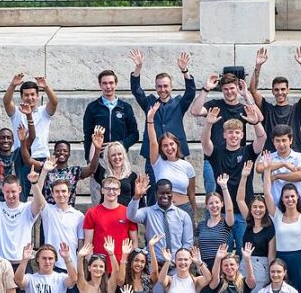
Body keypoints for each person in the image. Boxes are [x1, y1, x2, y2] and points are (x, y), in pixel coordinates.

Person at [131, 49, 197, 195]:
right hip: (154, 156)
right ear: (156, 88)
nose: (163, 89)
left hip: (175, 153)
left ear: (171, 87)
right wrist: (138, 68)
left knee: (177, 191)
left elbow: (191, 92)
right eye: (159, 86)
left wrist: (185, 71)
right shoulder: (149, 102)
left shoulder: (179, 103)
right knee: (154, 192)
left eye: (165, 86)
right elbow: (136, 90)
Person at [201, 106, 267, 251]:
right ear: (224, 135)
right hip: (222, 213)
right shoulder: (217, 152)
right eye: (230, 132)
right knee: (223, 253)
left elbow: (262, 138)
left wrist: (256, 123)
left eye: (237, 133)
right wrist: (208, 124)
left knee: (245, 251)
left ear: (242, 135)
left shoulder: (248, 151)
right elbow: (205, 143)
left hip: (245, 211)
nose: (234, 136)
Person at [190, 72, 252, 194]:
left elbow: (258, 118)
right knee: (213, 198)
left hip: (236, 160)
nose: (229, 92)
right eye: (225, 89)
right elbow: (195, 111)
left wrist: (246, 95)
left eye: (232, 88)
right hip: (213, 158)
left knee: (237, 196)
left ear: (237, 88)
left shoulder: (243, 108)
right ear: (222, 90)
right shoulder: (214, 105)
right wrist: (206, 88)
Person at [249, 46, 301, 151]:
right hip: (271, 158)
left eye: (283, 89)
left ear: (288, 90)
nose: (280, 93)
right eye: (277, 90)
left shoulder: (296, 110)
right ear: (272, 91)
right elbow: (253, 90)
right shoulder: (267, 109)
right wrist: (258, 66)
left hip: (294, 157)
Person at [0, 166, 46, 268]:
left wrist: (34, 183)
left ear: (19, 189)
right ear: (2, 190)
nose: (10, 195)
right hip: (0, 263)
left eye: (13, 191)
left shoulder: (27, 208)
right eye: (7, 192)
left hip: (23, 262)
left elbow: (39, 203)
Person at [263, 156, 301, 292]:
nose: (290, 199)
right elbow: (267, 194)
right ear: (282, 200)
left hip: (299, 260)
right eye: (286, 197)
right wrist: (267, 170)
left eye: (292, 196)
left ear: (297, 197)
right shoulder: (277, 215)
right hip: (281, 258)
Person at [128, 175, 194, 261]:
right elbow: (131, 216)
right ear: (156, 194)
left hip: (176, 265)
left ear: (172, 193)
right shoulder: (148, 212)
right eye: (162, 193)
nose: (165, 196)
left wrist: (181, 260)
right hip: (155, 263)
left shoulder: (183, 215)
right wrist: (137, 196)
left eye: (168, 193)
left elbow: (187, 243)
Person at [82, 69, 138, 169]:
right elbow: (87, 136)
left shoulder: (125, 107)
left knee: (123, 185)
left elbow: (134, 135)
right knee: (99, 185)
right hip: (99, 159)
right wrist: (89, 160)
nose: (108, 87)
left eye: (111, 83)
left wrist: (120, 144)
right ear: (100, 85)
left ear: (116, 84)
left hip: (120, 158)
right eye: (105, 83)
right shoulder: (92, 107)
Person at [83, 176, 138, 273]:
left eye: (115, 189)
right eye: (108, 188)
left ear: (119, 191)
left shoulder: (128, 213)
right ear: (102, 190)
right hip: (100, 268)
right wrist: (92, 265)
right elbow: (88, 244)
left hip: (122, 266)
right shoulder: (92, 213)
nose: (111, 192)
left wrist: (129, 263)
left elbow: (134, 241)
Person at [6, 72, 59, 161]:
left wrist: (46, 87)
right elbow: (6, 102)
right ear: (21, 97)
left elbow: (54, 102)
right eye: (26, 95)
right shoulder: (16, 112)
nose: (30, 98)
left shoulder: (44, 111)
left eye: (32, 94)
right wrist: (12, 85)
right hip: (21, 156)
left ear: (37, 95)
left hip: (41, 155)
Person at [256, 124, 301, 211]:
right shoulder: (268, 157)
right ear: (273, 142)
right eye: (277, 141)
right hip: (274, 209)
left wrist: (278, 176)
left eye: (284, 140)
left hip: (297, 208)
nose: (281, 144)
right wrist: (283, 164)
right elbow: (259, 168)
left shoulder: (300, 157)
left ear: (291, 140)